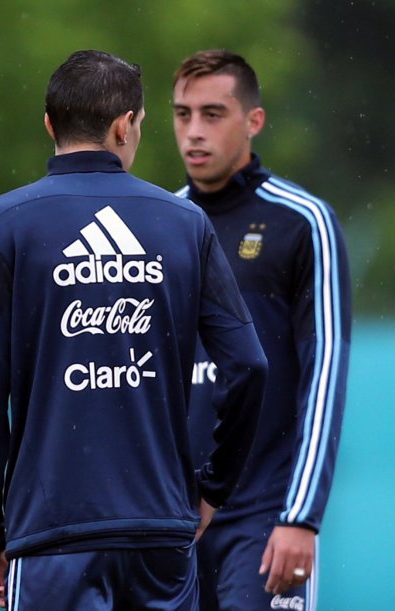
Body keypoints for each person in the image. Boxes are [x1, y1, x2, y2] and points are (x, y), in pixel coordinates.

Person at [0, 50, 268, 610]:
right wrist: (212, 489)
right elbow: (249, 365)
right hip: (161, 531)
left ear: (50, 124)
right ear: (126, 124)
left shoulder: (2, 223)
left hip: (53, 534)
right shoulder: (184, 223)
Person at [172, 49, 351, 610]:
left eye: (212, 113)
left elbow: (323, 374)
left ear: (254, 121)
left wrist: (301, 517)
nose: (194, 132)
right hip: (172, 523)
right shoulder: (160, 225)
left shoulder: (303, 222)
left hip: (264, 518)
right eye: (182, 114)